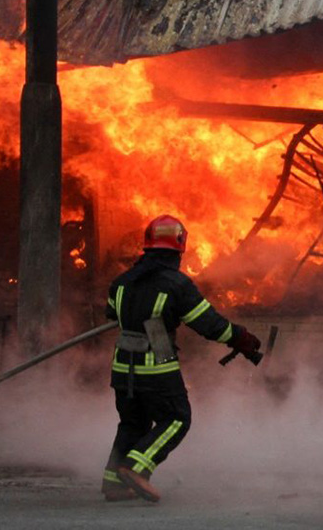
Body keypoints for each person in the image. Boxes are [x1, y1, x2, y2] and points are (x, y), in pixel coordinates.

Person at [100, 214, 261, 503]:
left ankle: (113, 482)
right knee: (176, 418)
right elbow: (208, 324)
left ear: (147, 246)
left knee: (132, 423)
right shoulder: (177, 285)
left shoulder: (121, 282)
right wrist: (241, 338)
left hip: (122, 367)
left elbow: (112, 313)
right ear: (179, 247)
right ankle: (136, 468)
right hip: (156, 363)